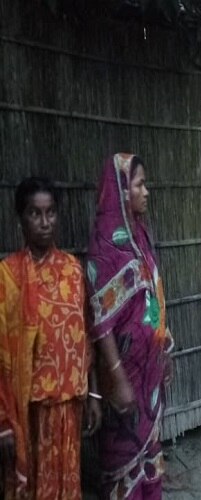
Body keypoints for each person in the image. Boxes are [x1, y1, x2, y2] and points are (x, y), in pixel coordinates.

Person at [0, 177, 101, 499]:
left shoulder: (73, 271)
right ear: (21, 219)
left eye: (51, 213)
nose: (44, 222)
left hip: (69, 410)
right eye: (34, 213)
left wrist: (94, 396)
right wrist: (3, 422)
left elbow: (86, 336)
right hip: (28, 414)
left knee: (68, 489)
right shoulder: (8, 276)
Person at [87, 154, 174, 500]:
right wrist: (117, 377)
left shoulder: (141, 237)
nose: (146, 192)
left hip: (148, 371)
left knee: (150, 451)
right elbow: (100, 322)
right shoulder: (103, 250)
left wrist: (164, 346)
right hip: (123, 375)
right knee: (123, 454)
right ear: (121, 191)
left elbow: (154, 296)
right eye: (139, 185)